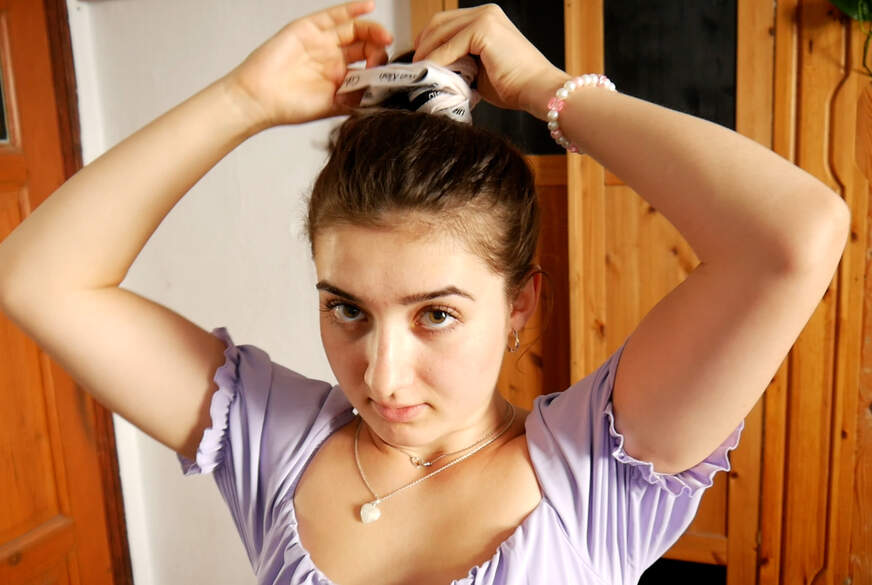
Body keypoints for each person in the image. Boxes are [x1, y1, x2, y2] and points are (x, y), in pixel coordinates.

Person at [0, 2, 850, 584]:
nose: (381, 376)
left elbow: (795, 236)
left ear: (520, 304)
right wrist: (242, 100)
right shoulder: (271, 443)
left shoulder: (596, 470)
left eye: (435, 313)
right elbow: (37, 278)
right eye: (346, 308)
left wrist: (549, 92)